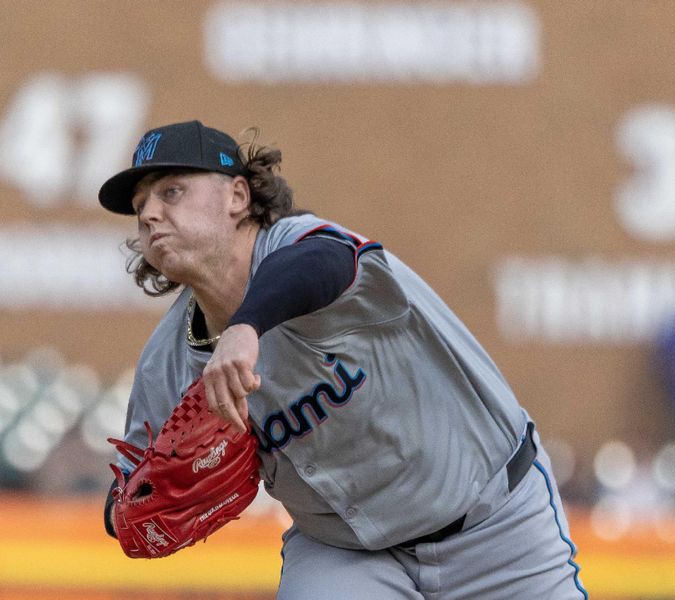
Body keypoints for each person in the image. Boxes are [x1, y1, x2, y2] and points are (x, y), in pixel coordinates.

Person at [99, 120, 587, 599]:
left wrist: (246, 326)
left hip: (495, 523)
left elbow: (323, 262)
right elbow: (129, 500)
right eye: (140, 206)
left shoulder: (302, 246)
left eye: (172, 191)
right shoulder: (167, 361)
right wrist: (131, 511)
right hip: (346, 555)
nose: (149, 214)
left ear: (238, 197)